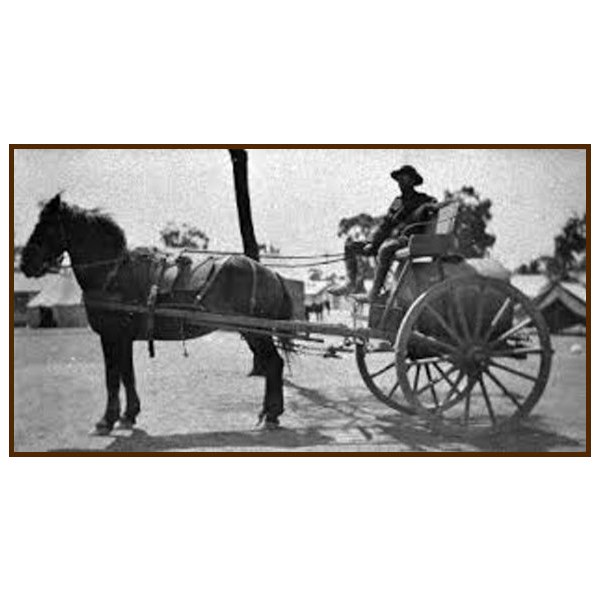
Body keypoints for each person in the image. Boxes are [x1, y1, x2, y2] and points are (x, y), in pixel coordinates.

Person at [330, 165, 437, 300]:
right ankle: (350, 283)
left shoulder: (423, 199)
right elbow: (386, 225)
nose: (401, 182)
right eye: (399, 179)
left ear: (412, 181)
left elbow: (434, 205)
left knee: (386, 248)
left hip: (408, 238)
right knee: (350, 246)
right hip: (392, 239)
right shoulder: (397, 202)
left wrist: (428, 208)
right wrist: (372, 242)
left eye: (405, 178)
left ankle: (374, 292)